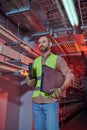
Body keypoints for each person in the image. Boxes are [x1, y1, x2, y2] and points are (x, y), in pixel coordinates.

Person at [26, 35, 74, 130]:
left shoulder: (58, 59)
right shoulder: (35, 61)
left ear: (50, 44)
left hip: (50, 102)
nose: (41, 44)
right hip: (36, 102)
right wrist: (29, 81)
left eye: (43, 42)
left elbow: (70, 75)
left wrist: (60, 89)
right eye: (39, 43)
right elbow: (29, 79)